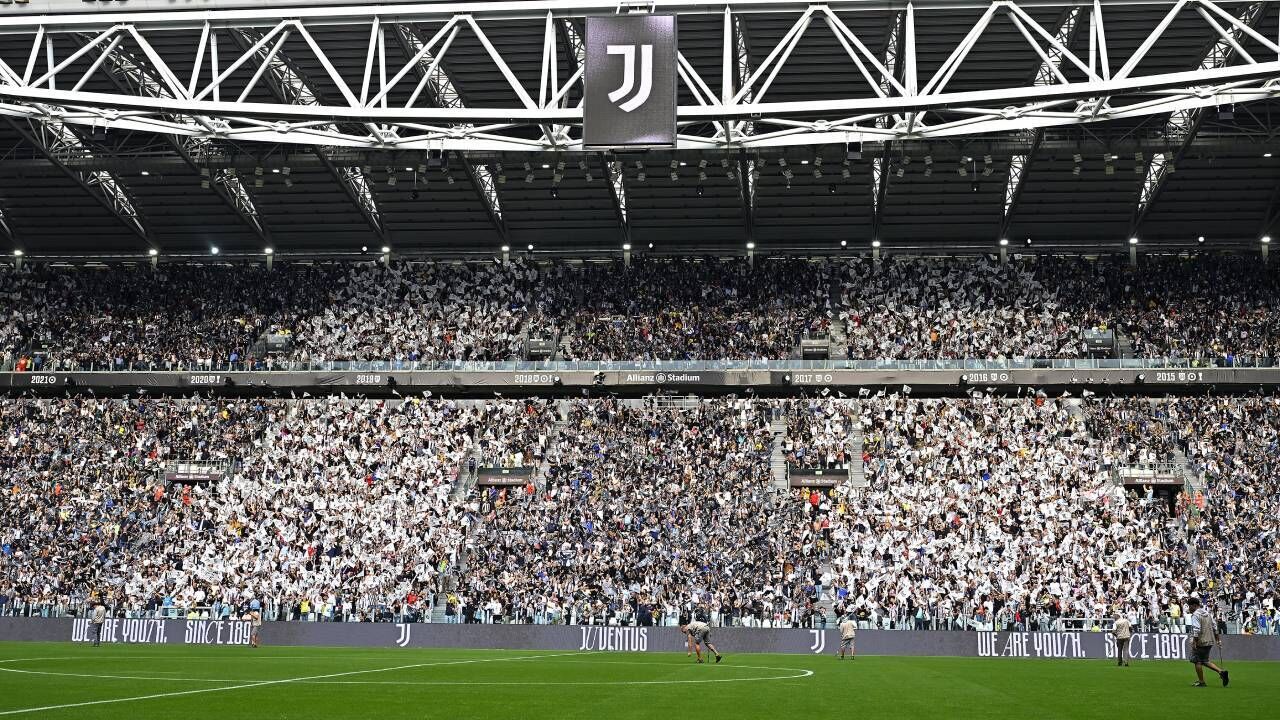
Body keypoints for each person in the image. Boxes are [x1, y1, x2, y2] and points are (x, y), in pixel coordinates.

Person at [1186, 597, 1228, 687]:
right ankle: (1221, 672)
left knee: (1197, 661)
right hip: (1210, 640)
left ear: (1194, 605)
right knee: (1204, 660)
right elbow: (1215, 627)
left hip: (1200, 641)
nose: (1189, 608)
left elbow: (1196, 629)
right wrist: (1218, 639)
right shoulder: (1207, 613)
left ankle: (1201, 682)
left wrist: (1195, 642)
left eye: (1189, 606)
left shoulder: (1195, 615)